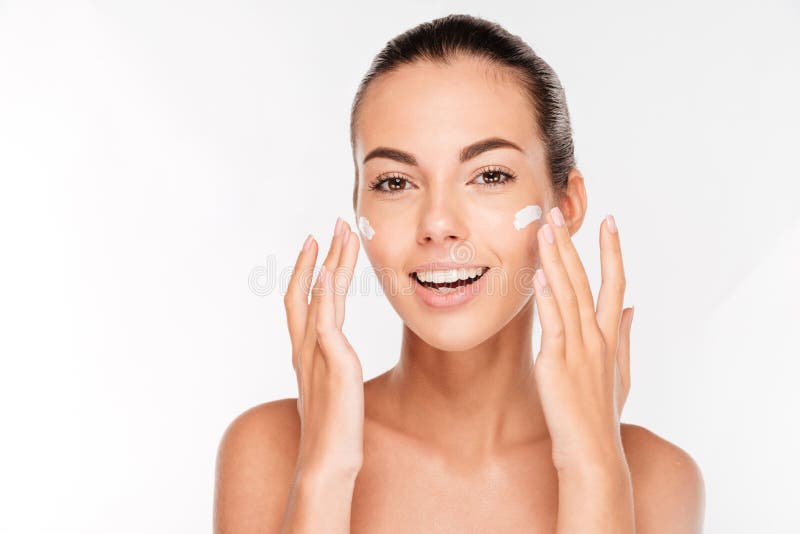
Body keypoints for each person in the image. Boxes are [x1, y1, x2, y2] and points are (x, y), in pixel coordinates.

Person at [213, 13, 705, 533]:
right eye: (395, 182)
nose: (438, 224)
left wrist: (593, 466)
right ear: (359, 203)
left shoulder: (654, 477)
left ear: (566, 203)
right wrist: (324, 472)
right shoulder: (270, 449)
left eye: (489, 175)